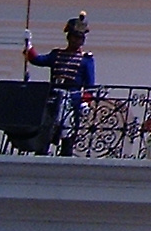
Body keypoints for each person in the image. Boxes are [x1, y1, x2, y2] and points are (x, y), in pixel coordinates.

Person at [23, 13, 96, 156]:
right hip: (53, 96)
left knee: (67, 131)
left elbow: (89, 84)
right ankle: (42, 151)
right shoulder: (56, 54)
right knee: (46, 127)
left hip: (71, 98)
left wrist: (85, 101)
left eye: (80, 38)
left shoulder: (86, 60)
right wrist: (29, 45)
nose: (77, 41)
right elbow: (38, 60)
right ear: (69, 37)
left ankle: (66, 154)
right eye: (75, 37)